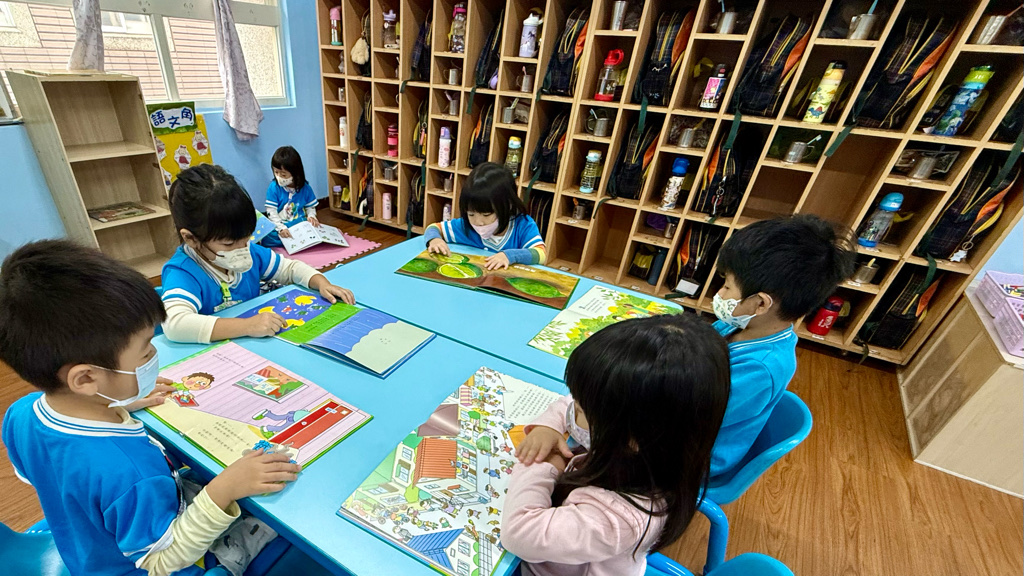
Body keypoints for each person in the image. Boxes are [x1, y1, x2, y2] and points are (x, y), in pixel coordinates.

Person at [0, 240, 301, 576]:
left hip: (85, 551)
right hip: (142, 564)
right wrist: (225, 488)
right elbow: (162, 560)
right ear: (85, 379)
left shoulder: (21, 413)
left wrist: (118, 398)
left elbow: (45, 474)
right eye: (145, 351)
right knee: (272, 519)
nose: (154, 356)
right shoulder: (127, 471)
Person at [502, 314, 731, 576]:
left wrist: (544, 462)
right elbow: (573, 401)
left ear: (633, 438)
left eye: (581, 409)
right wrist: (549, 427)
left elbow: (518, 533)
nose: (572, 409)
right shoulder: (650, 441)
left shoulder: (619, 517)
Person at [709, 214, 855, 476]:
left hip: (699, 455)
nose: (720, 294)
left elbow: (694, 416)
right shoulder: (741, 324)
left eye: (727, 287)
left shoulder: (762, 368)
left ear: (761, 303)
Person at [160, 164, 354, 344]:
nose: (242, 249)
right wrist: (248, 326)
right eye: (228, 244)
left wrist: (321, 283)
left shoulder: (249, 251)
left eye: (246, 239)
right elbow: (174, 324)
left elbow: (289, 268)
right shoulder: (183, 271)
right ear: (191, 238)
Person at [424, 162, 546, 270]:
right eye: (471, 214)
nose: (478, 222)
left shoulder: (522, 225)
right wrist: (434, 240)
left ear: (508, 205)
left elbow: (541, 253)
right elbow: (434, 228)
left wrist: (510, 256)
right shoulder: (466, 227)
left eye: (486, 214)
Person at [261, 146, 319, 247]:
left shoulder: (305, 188)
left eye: (283, 174)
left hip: (299, 223)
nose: (279, 177)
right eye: (276, 172)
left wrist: (311, 216)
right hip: (281, 224)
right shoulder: (274, 187)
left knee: (313, 228)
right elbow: (271, 212)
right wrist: (281, 228)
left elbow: (310, 207)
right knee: (268, 235)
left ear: (295, 173)